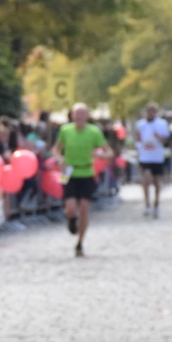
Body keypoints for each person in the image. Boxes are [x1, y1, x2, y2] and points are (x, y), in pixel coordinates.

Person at [53, 103, 108, 258]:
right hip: (69, 172)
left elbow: (107, 150)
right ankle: (71, 219)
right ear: (72, 116)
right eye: (77, 114)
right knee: (70, 207)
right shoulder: (65, 130)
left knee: (84, 208)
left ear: (87, 116)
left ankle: (80, 243)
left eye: (82, 114)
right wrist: (59, 158)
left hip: (86, 172)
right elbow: (56, 149)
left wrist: (101, 155)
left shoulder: (94, 132)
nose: (79, 117)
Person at [133, 103, 170, 217]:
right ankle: (147, 204)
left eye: (153, 111)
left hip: (157, 156)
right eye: (149, 111)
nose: (150, 113)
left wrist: (158, 136)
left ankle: (156, 203)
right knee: (147, 178)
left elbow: (166, 140)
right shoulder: (140, 124)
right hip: (145, 156)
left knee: (157, 182)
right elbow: (137, 139)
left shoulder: (162, 124)